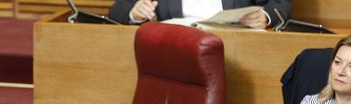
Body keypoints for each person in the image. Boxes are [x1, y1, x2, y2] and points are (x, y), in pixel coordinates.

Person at [108, 0, 290, 28]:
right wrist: (134, 11)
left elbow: (281, 4)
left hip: (232, 38)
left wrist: (265, 17)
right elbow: (118, 9)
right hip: (174, 41)